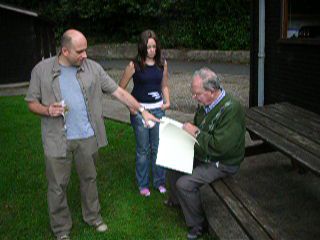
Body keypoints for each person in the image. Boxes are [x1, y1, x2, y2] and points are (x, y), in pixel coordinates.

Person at [25, 29, 159, 240]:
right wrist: (47, 110)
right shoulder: (41, 70)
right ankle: (61, 229)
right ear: (65, 50)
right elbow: (31, 103)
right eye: (80, 51)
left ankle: (93, 217)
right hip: (57, 139)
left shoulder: (93, 68)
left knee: (90, 179)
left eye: (86, 50)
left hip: (87, 137)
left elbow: (119, 92)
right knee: (58, 186)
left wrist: (142, 110)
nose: (85, 55)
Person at [165, 67, 245, 240]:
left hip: (223, 162)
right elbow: (198, 127)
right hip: (204, 152)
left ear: (211, 91)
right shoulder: (205, 104)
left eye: (197, 94)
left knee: (184, 184)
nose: (194, 97)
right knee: (171, 161)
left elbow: (220, 147)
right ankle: (177, 201)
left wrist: (195, 133)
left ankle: (198, 225)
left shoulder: (232, 109)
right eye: (193, 93)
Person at [119, 30, 170, 197]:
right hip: (140, 112)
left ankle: (160, 182)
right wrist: (131, 107)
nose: (152, 50)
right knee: (143, 150)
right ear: (142, 47)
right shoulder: (134, 65)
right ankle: (143, 184)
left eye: (154, 46)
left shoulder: (162, 63)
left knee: (158, 148)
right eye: (148, 47)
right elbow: (120, 89)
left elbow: (164, 86)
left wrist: (167, 101)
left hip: (158, 111)